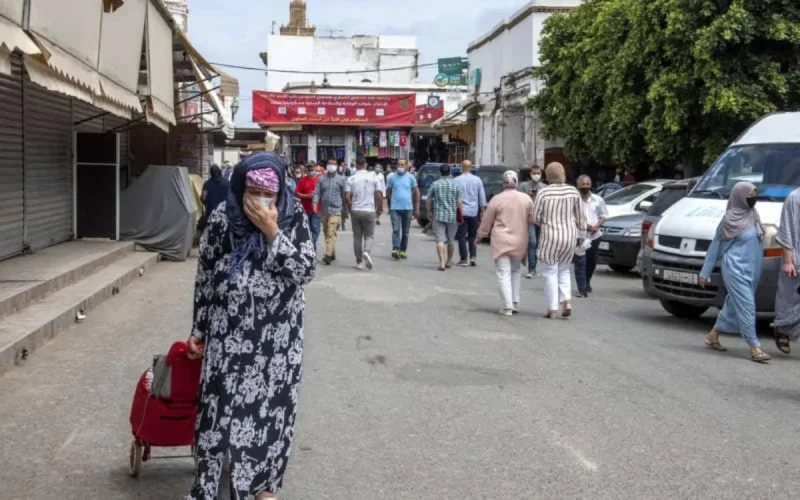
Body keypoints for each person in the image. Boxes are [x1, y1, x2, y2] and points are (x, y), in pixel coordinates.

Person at [186, 152, 315, 500]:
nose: (260, 202)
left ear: (279, 193)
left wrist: (272, 232)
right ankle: (209, 483)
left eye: (268, 194)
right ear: (239, 187)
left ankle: (263, 486)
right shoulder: (221, 221)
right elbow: (206, 280)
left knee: (270, 415)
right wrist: (198, 330)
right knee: (218, 410)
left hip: (278, 342)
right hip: (226, 337)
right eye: (253, 193)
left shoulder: (293, 217)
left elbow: (305, 271)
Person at [699, 182, 770, 363]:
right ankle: (754, 347)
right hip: (734, 269)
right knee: (747, 306)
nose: (754, 196)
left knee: (734, 304)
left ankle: (713, 335)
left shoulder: (753, 214)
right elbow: (715, 247)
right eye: (751, 194)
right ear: (740, 196)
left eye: (755, 193)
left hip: (752, 269)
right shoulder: (729, 220)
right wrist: (705, 272)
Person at [532, 162, 586, 318]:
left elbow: (535, 217)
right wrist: (581, 238)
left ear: (547, 176)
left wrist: (545, 223)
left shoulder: (544, 193)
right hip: (569, 236)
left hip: (550, 236)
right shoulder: (573, 191)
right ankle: (567, 300)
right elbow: (581, 217)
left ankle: (552, 308)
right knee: (564, 270)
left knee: (550, 271)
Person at [477, 171, 534, 316]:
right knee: (515, 271)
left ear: (503, 182)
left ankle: (507, 305)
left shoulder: (497, 199)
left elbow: (487, 220)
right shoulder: (526, 199)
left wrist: (480, 235)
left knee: (503, 273)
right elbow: (532, 219)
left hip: (501, 240)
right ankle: (514, 302)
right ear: (517, 181)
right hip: (520, 239)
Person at [773, 187, 800, 354]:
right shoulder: (794, 198)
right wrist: (788, 261)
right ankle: (782, 329)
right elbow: (787, 230)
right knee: (789, 299)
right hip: (795, 258)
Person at [345, 157, 383, 270]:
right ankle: (366, 251)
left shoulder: (351, 179)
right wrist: (379, 208)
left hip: (356, 210)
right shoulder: (374, 178)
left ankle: (359, 261)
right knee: (369, 235)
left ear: (356, 165)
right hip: (369, 210)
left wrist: (350, 208)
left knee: (357, 237)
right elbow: (379, 195)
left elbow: (347, 197)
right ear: (366, 165)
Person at [574, 175, 608, 296]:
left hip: (594, 236)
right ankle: (582, 288)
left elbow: (604, 215)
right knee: (580, 262)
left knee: (591, 261)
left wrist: (597, 226)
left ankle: (586, 281)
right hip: (579, 236)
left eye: (587, 185)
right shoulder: (574, 200)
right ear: (578, 186)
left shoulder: (597, 200)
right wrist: (583, 225)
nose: (585, 187)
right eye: (582, 185)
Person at [427, 164, 462, 271]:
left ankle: (441, 262)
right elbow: (459, 202)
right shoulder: (455, 185)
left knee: (440, 240)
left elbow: (429, 199)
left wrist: (429, 211)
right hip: (452, 216)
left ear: (440, 172)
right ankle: (449, 261)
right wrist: (460, 214)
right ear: (449, 172)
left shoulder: (435, 184)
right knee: (451, 240)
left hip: (438, 215)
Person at [313, 160, 347, 265]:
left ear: (336, 166)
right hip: (324, 210)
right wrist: (315, 203)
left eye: (333, 164)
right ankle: (332, 252)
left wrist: (345, 211)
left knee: (331, 232)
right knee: (326, 232)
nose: (331, 166)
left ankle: (327, 255)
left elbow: (344, 196)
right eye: (329, 164)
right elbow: (317, 192)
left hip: (336, 209)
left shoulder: (341, 179)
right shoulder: (321, 178)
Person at [454, 160, 487, 267]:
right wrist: (482, 210)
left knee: (461, 235)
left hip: (461, 211)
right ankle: (473, 257)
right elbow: (481, 197)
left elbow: (454, 197)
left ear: (461, 167)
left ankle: (463, 259)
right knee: (472, 236)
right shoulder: (477, 180)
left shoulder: (456, 180)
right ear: (471, 167)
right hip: (473, 212)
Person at [386, 159, 420, 259]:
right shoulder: (392, 178)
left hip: (408, 208)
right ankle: (396, 248)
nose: (400, 166)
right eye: (399, 165)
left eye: (402, 165)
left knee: (405, 232)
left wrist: (416, 207)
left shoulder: (411, 178)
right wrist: (392, 201)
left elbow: (416, 191)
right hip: (395, 208)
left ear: (406, 166)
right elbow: (388, 191)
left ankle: (403, 250)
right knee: (396, 229)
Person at [519, 165, 545, 278]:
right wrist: (528, 196)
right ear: (530, 174)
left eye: (538, 173)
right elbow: (519, 200)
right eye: (534, 173)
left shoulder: (544, 187)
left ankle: (534, 267)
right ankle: (531, 268)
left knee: (538, 244)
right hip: (529, 218)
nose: (536, 175)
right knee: (532, 242)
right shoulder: (523, 186)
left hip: (541, 219)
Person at [295, 163, 321, 251]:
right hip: (305, 209)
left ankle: (312, 246)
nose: (310, 170)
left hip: (317, 208)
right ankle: (311, 246)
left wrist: (311, 196)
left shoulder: (319, 180)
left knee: (315, 229)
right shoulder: (302, 181)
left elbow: (320, 194)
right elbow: (297, 193)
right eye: (308, 168)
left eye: (311, 168)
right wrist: (307, 196)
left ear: (315, 168)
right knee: (307, 229)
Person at [199, 164, 230, 233]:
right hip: (225, 215)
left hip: (210, 215)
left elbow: (203, 199)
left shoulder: (207, 184)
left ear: (211, 173)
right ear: (220, 171)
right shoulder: (227, 183)